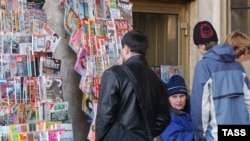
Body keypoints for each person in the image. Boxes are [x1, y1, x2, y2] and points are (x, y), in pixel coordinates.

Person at [95, 30, 171, 141]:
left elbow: (104, 116)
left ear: (126, 49)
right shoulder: (158, 82)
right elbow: (164, 118)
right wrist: (145, 134)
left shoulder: (114, 74)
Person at [191, 21, 250, 141]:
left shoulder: (203, 66)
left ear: (201, 46)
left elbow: (200, 108)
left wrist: (200, 136)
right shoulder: (237, 65)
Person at [158, 75, 194, 141]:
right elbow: (173, 139)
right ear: (168, 99)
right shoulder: (166, 118)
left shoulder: (191, 111)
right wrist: (197, 135)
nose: (179, 100)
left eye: (182, 96)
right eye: (174, 97)